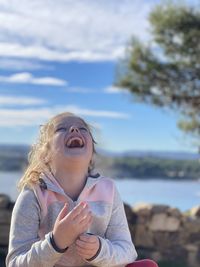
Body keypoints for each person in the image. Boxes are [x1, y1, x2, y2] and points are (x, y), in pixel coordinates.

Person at [6, 112, 137, 267]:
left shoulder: (108, 190)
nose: (74, 129)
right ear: (45, 154)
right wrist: (55, 242)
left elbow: (127, 251)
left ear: (92, 153)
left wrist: (99, 250)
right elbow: (15, 263)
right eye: (61, 129)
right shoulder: (33, 194)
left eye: (83, 129)